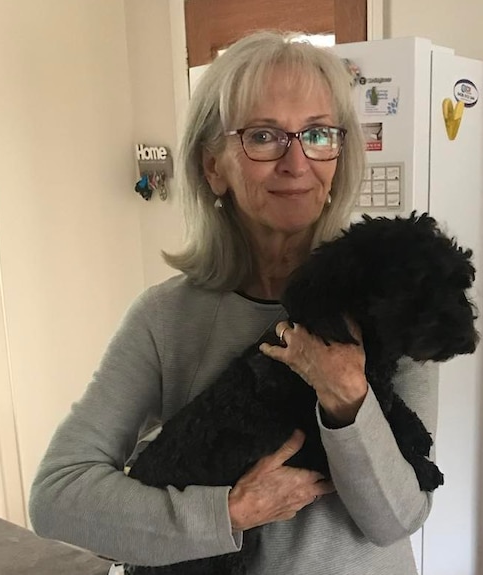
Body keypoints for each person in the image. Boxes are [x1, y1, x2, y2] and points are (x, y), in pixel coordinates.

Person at [28, 30, 439, 575]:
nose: (296, 163)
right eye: (264, 136)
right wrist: (228, 513)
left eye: (317, 134)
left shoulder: (393, 305)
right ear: (213, 166)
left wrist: (348, 399)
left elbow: (398, 518)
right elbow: (57, 497)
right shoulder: (165, 318)